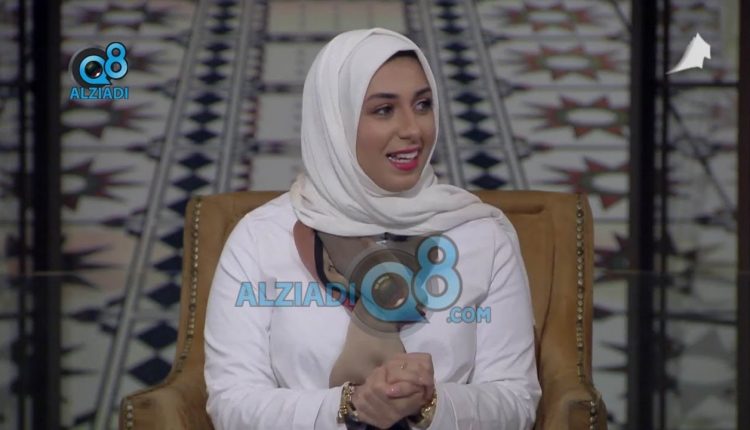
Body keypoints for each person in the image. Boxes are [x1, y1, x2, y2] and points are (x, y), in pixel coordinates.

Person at [204, 27, 541, 429]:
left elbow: (516, 399)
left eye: (422, 104)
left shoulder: (479, 235)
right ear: (335, 120)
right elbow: (232, 403)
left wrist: (430, 404)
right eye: (384, 110)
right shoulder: (260, 238)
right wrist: (349, 406)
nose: (412, 129)